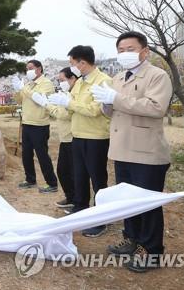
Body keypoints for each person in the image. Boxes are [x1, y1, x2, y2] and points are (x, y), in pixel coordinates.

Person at [91, 31, 173, 272]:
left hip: (146, 151)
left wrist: (115, 99)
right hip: (122, 149)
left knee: (146, 204)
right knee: (127, 201)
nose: (124, 54)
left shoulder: (157, 76)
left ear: (144, 51)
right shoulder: (117, 77)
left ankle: (153, 252)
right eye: (120, 50)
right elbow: (112, 111)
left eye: (130, 48)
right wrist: (106, 102)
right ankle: (132, 239)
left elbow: (156, 107)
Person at [48, 45, 112, 237]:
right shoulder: (81, 82)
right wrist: (61, 102)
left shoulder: (103, 81)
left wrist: (69, 103)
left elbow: (95, 110)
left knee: (97, 178)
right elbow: (71, 109)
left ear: (82, 63)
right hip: (78, 136)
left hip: (96, 138)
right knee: (80, 176)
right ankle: (81, 208)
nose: (72, 67)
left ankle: (101, 219)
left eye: (72, 63)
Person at [32, 67, 81, 208]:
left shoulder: (73, 95)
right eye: (59, 80)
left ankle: (78, 201)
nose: (60, 83)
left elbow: (64, 114)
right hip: (64, 138)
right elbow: (58, 112)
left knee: (73, 172)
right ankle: (71, 197)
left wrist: (47, 105)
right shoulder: (66, 93)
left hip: (73, 137)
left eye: (62, 80)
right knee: (62, 171)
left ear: (73, 79)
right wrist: (51, 105)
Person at [12, 60, 58, 193]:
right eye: (27, 69)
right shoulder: (28, 84)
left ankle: (52, 182)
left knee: (42, 154)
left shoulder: (46, 83)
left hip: (39, 124)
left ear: (39, 69)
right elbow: (20, 100)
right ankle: (30, 179)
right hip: (27, 123)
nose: (28, 71)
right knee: (26, 154)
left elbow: (38, 99)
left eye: (30, 68)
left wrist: (23, 88)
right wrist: (17, 90)